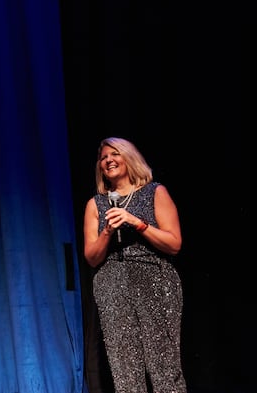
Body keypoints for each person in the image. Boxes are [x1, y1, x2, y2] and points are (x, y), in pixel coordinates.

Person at [83, 137, 186, 393]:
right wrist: (107, 230)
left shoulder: (155, 192)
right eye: (103, 157)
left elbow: (173, 244)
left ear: (129, 158)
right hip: (112, 284)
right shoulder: (96, 205)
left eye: (114, 154)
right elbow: (92, 257)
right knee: (124, 368)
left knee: (163, 363)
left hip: (155, 280)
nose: (108, 160)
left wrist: (137, 222)